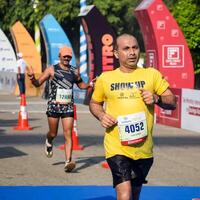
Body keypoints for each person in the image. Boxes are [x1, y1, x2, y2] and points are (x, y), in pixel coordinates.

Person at [89, 33, 176, 200]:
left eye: (135, 48)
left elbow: (172, 101)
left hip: (143, 149)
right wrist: (101, 115)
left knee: (135, 194)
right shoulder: (106, 79)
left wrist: (156, 98)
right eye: (126, 49)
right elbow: (94, 103)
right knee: (125, 193)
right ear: (116, 53)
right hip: (117, 147)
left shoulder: (151, 75)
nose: (132, 53)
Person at [27, 46, 93, 172]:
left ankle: (68, 162)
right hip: (54, 106)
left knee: (68, 134)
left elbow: (81, 85)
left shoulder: (74, 71)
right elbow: (38, 83)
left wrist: (90, 84)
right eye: (65, 56)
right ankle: (49, 141)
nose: (67, 58)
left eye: (69, 56)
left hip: (68, 106)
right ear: (60, 56)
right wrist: (32, 78)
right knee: (53, 133)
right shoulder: (52, 69)